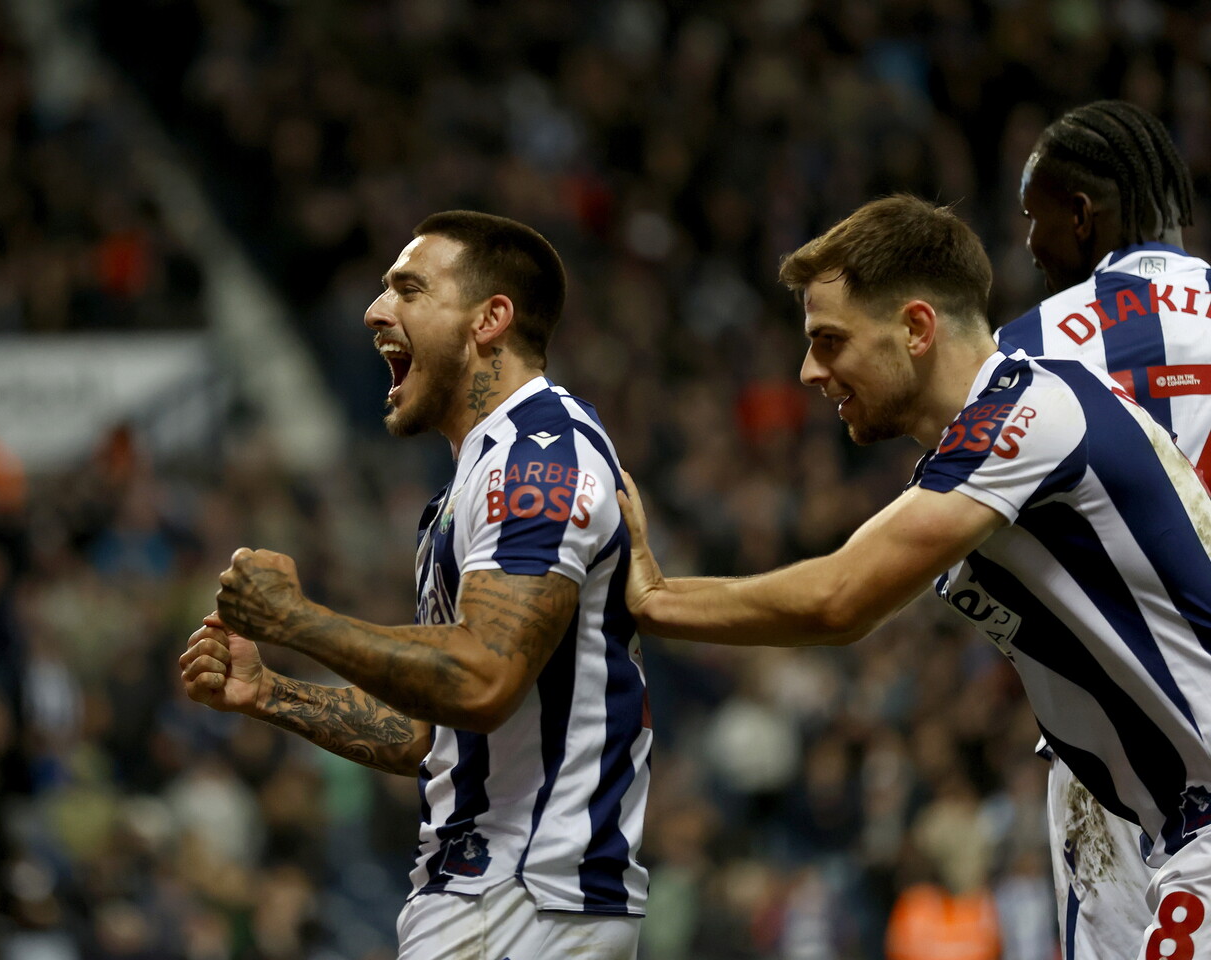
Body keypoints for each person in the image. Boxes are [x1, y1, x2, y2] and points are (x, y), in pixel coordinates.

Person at [619, 194, 1211, 959]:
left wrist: (655, 599)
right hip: (1175, 825)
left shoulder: (1028, 411)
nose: (809, 371)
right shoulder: (982, 447)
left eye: (829, 341)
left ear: (917, 328)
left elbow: (839, 599)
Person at [178, 211, 650, 960]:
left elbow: (483, 681)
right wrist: (269, 691)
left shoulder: (535, 462)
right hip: (491, 895)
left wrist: (294, 620)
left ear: (490, 319)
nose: (374, 311)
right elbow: (438, 734)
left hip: (524, 897)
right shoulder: (479, 476)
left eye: (407, 288)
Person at [998, 99, 1205, 960]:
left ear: (1080, 213)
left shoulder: (1029, 349)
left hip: (1118, 756)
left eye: (1033, 220)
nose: (1029, 244)